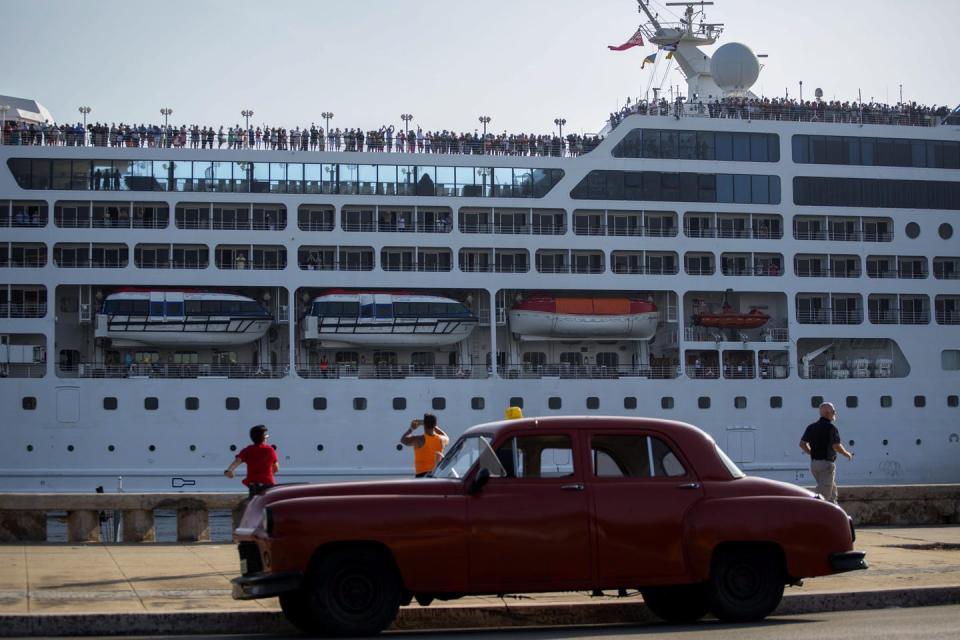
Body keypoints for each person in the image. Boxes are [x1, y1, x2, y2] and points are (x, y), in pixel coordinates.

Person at [800, 402, 853, 504]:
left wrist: (812, 453)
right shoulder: (831, 428)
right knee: (823, 495)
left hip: (814, 464)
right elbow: (836, 446)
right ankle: (817, 517)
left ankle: (835, 515)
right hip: (826, 465)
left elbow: (802, 444)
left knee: (831, 492)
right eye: (833, 411)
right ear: (827, 413)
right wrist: (847, 453)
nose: (835, 413)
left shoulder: (811, 427)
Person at [224, 424, 279, 497]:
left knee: (254, 503)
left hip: (254, 485)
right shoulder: (270, 450)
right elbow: (276, 469)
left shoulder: (247, 450)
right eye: (266, 435)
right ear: (263, 437)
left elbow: (237, 461)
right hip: (268, 484)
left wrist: (229, 471)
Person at [400, 413, 449, 477]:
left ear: (424, 426)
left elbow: (403, 440)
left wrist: (411, 428)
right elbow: (446, 436)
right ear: (435, 425)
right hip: (437, 474)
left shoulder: (420, 440)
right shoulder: (442, 439)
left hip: (422, 475)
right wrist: (435, 426)